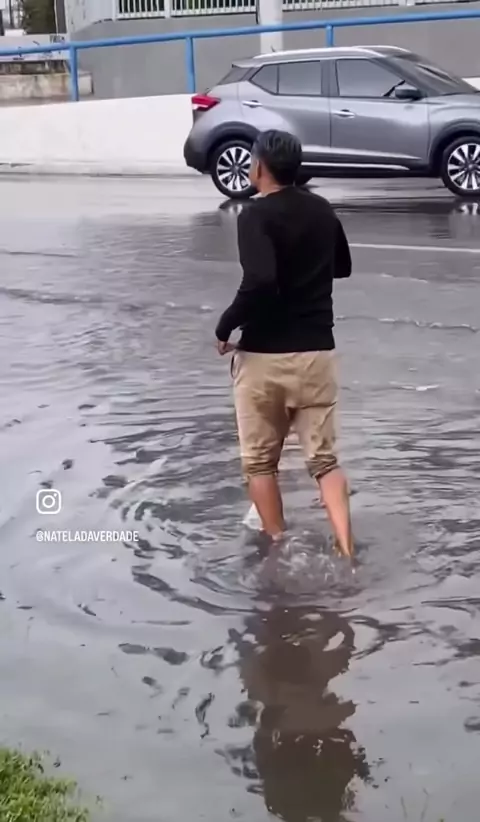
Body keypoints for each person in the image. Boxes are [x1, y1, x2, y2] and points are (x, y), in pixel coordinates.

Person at [215, 130, 353, 558]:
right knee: (324, 461)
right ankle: (346, 548)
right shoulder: (321, 209)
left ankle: (279, 547)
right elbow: (342, 267)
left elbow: (260, 281)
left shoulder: (254, 215)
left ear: (258, 166)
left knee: (259, 463)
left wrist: (225, 326)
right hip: (317, 353)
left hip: (264, 358)